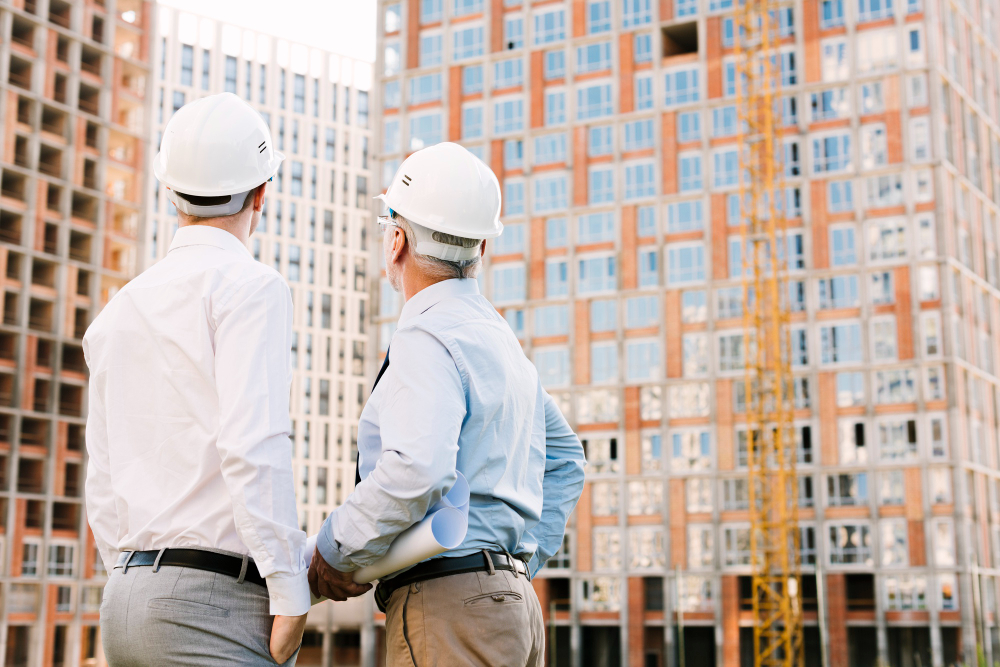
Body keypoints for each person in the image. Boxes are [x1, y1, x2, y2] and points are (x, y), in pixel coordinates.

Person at [307, 142, 586, 666]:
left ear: (396, 241)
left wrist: (334, 549)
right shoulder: (501, 341)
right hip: (514, 606)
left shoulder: (426, 334)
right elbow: (567, 460)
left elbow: (417, 466)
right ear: (482, 248)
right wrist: (514, 560)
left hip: (449, 605)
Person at [84, 92, 310, 665]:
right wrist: (290, 591)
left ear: (170, 193)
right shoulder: (251, 288)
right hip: (212, 604)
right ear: (263, 193)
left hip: (127, 598)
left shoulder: (120, 309)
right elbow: (252, 445)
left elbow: (102, 478)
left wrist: (132, 578)